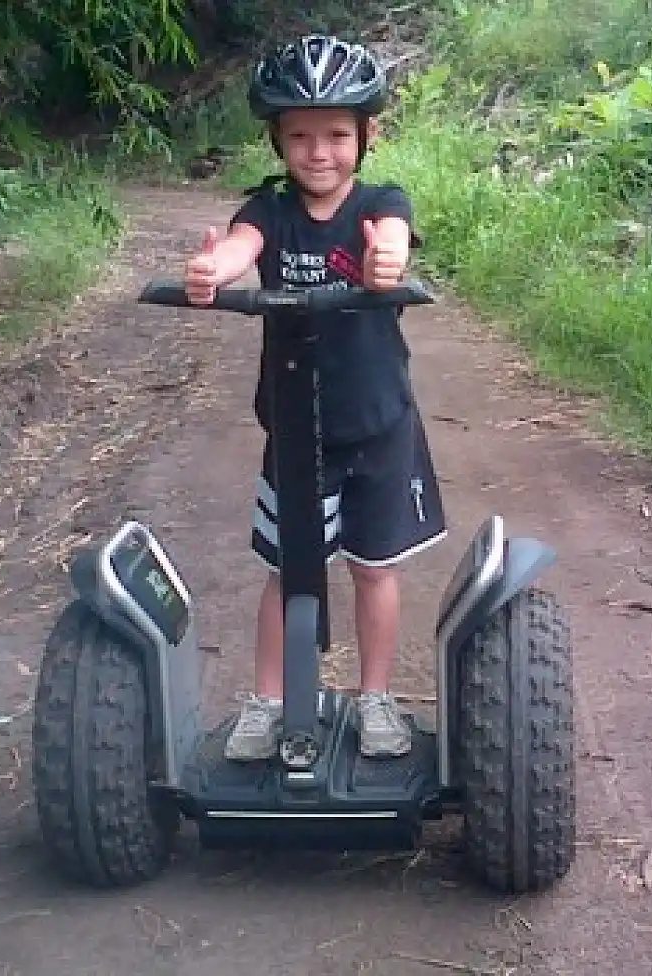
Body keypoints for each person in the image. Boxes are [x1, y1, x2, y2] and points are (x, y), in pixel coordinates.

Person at [182, 34, 448, 762]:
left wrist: (385, 259)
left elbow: (391, 240)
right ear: (276, 139)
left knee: (375, 568)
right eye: (299, 135)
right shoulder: (268, 210)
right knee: (289, 569)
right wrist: (215, 270)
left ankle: (376, 699)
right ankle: (269, 701)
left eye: (336, 133)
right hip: (299, 432)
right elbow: (240, 249)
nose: (319, 151)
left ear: (367, 134)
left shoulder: (380, 203)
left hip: (379, 425)